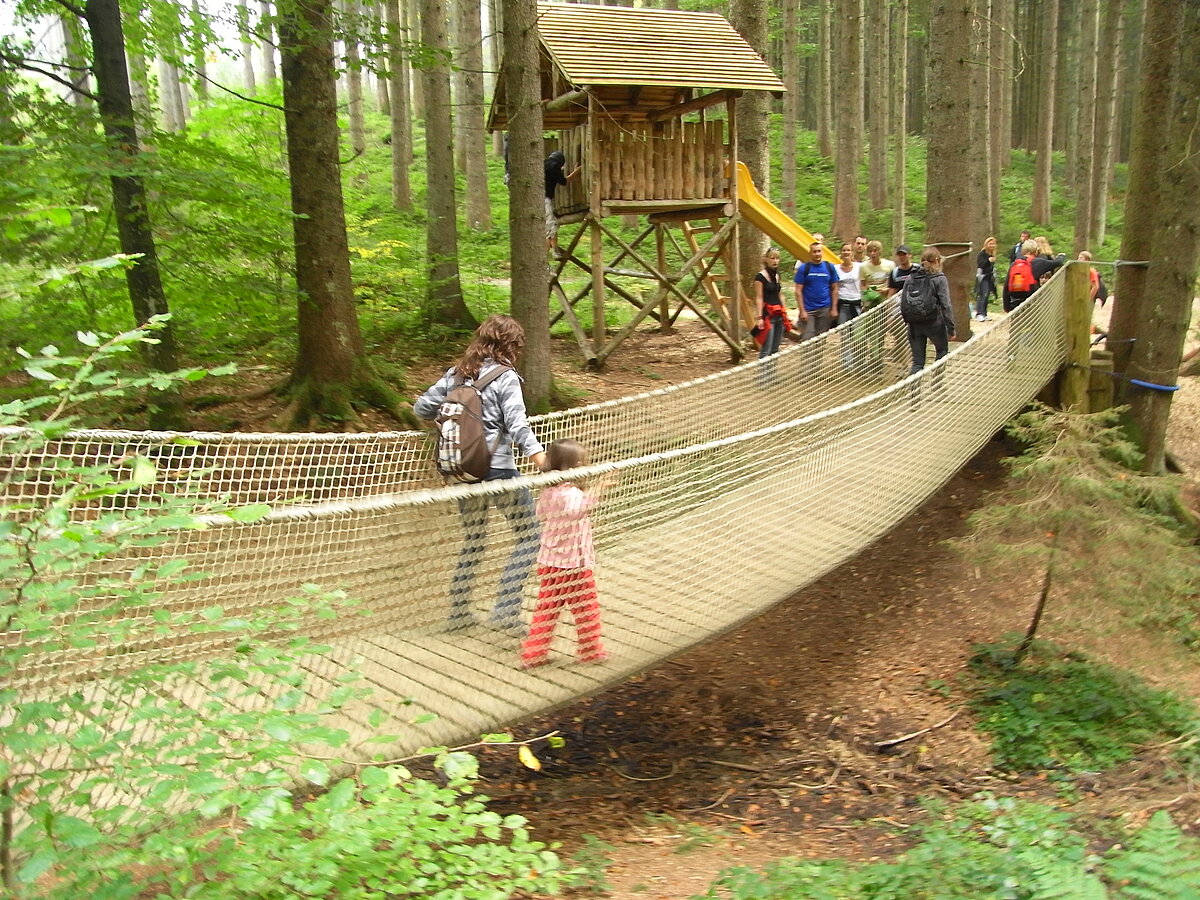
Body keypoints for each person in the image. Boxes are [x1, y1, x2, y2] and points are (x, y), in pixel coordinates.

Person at [414, 315, 548, 635]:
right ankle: (505, 611)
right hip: (497, 470)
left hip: (462, 471)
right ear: (511, 344)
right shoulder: (506, 376)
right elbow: (516, 424)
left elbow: (421, 408)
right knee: (530, 535)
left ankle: (458, 613)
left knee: (474, 539)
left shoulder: (457, 373)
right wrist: (540, 457)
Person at [521, 439, 609, 668]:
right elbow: (578, 511)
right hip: (574, 566)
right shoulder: (571, 493)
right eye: (580, 463)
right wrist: (598, 489)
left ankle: (534, 653)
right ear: (570, 467)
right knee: (586, 609)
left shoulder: (547, 491)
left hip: (549, 563)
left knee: (546, 609)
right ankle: (590, 651)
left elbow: (540, 514)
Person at [905, 247, 956, 376]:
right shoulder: (939, 278)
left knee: (918, 362)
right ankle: (937, 382)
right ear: (937, 261)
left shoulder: (911, 277)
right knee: (942, 352)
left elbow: (904, 302)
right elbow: (946, 305)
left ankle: (913, 388)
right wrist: (951, 328)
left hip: (914, 325)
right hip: (934, 324)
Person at [794, 241, 840, 340]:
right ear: (810, 253)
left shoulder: (829, 267)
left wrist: (834, 308)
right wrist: (802, 310)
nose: (817, 254)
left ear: (822, 252)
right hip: (808, 309)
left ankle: (819, 351)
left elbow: (835, 289)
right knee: (807, 338)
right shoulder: (804, 268)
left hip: (825, 308)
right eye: (814, 252)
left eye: (819, 251)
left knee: (821, 338)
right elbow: (798, 291)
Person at [753, 248, 790, 359]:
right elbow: (759, 298)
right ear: (766, 259)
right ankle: (764, 371)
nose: (775, 261)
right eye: (772, 258)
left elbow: (780, 294)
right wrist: (759, 318)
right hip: (768, 316)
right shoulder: (760, 277)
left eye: (777, 258)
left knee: (775, 349)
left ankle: (773, 370)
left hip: (779, 314)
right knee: (766, 349)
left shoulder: (777, 275)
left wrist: (785, 313)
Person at [545, 150, 581, 258]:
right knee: (551, 226)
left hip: (538, 199)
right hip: (545, 199)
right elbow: (564, 181)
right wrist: (576, 172)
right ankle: (552, 253)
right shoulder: (554, 166)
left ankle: (554, 251)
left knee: (551, 225)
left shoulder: (544, 163)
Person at [1003, 239, 1038, 311]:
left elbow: (1006, 285)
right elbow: (1057, 262)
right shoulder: (1037, 262)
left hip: (1014, 301)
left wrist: (1006, 306)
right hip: (1030, 301)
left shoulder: (1015, 264)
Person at [835, 242, 864, 325]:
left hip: (856, 302)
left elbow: (864, 283)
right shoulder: (835, 268)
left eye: (848, 250)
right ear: (841, 253)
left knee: (857, 328)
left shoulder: (859, 266)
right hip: (842, 302)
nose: (846, 252)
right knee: (843, 328)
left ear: (852, 252)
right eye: (844, 250)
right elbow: (835, 288)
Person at [859, 240, 894, 306]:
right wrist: (866, 295)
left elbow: (893, 284)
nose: (872, 253)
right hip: (871, 299)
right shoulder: (863, 266)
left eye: (875, 251)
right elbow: (862, 284)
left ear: (880, 251)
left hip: (886, 298)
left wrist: (887, 290)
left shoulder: (890, 265)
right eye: (870, 251)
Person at [974, 236, 998, 321]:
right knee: (982, 294)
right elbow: (980, 264)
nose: (992, 246)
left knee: (987, 295)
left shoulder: (992, 254)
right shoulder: (982, 253)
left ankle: (984, 313)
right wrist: (988, 261)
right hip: (983, 276)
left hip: (989, 276)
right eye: (990, 244)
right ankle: (979, 313)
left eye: (993, 244)